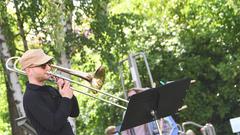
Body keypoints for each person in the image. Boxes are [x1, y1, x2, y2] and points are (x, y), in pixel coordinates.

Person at [20, 49, 80, 135]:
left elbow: (74, 112)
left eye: (49, 64)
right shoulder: (31, 97)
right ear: (29, 70)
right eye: (43, 65)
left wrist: (67, 92)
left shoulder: (49, 89)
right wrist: (66, 98)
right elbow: (54, 125)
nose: (49, 68)